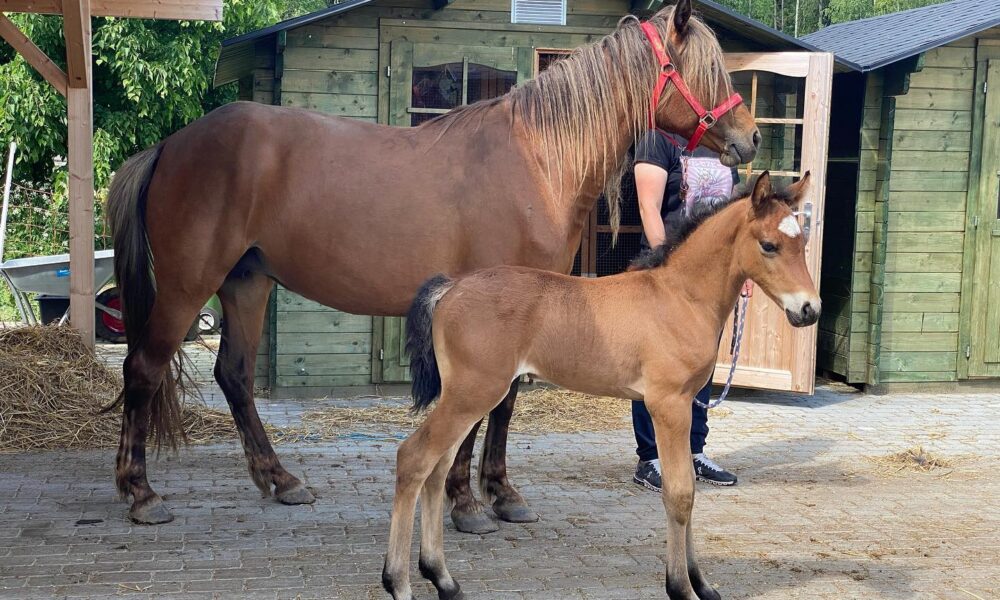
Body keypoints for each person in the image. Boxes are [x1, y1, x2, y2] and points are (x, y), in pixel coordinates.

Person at [630, 130, 739, 491]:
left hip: (710, 279)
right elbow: (649, 206)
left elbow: (731, 217)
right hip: (667, 273)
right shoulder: (658, 138)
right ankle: (651, 458)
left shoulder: (723, 143)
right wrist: (668, 270)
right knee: (659, 368)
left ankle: (694, 451)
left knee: (698, 363)